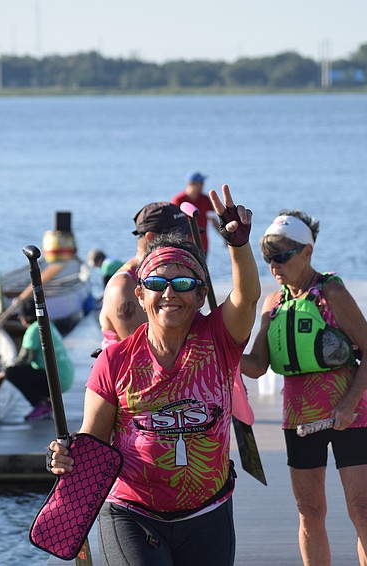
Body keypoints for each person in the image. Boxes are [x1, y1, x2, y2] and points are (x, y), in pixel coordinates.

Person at [48, 185, 259, 566]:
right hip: (131, 511)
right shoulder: (114, 361)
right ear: (140, 297)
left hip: (207, 513)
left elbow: (246, 297)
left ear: (199, 295)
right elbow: (92, 445)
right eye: (157, 284)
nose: (169, 293)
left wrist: (238, 246)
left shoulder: (220, 339)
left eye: (182, 284)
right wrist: (67, 456)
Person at [241, 210, 367, 566]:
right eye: (268, 258)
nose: (273, 266)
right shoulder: (273, 304)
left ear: (307, 252)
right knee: (309, 511)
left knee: (362, 511)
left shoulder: (332, 292)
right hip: (299, 417)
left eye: (281, 256)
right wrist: (223, 352)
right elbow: (257, 366)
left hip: (349, 414)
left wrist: (349, 403)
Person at [97, 201, 194, 351]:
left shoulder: (173, 278)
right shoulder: (124, 286)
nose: (188, 242)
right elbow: (145, 353)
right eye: (179, 237)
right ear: (151, 237)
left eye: (188, 236)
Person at [0, 298, 74, 421]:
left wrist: (1, 375)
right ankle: (46, 402)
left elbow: (24, 360)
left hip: (55, 381)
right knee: (28, 369)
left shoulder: (34, 330)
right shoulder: (47, 324)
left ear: (25, 318)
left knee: (11, 372)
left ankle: (40, 405)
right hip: (66, 377)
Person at [171, 171, 220, 255]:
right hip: (184, 245)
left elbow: (213, 219)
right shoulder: (178, 200)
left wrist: (224, 237)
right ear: (191, 184)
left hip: (202, 244)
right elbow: (172, 223)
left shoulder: (205, 199)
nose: (202, 185)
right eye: (200, 183)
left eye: (203, 182)